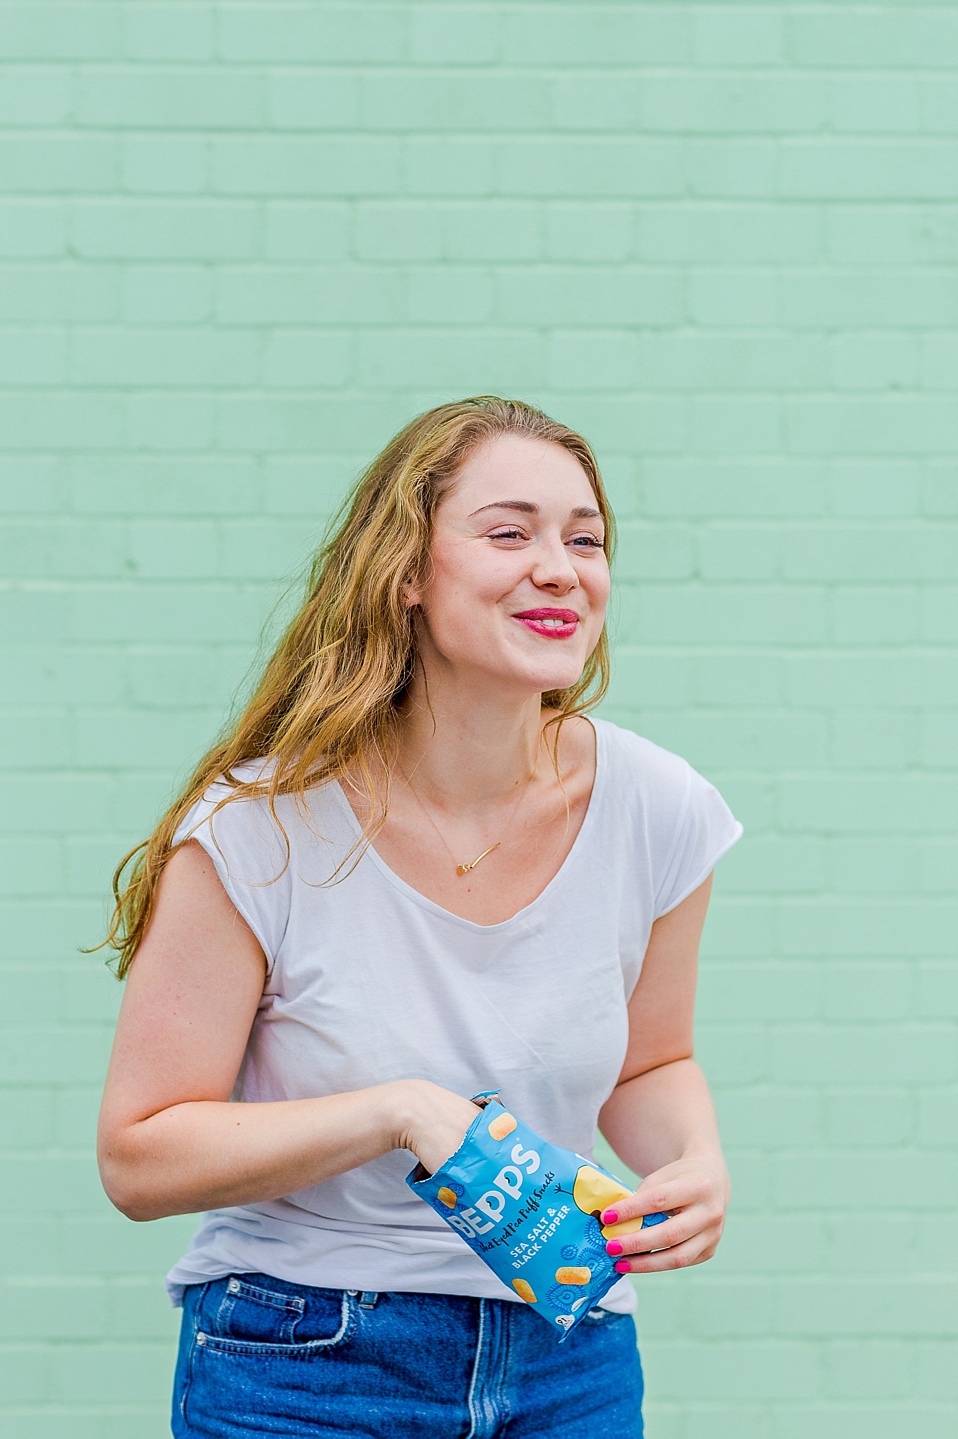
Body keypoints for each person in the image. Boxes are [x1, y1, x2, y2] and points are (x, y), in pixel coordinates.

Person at [96, 397, 742, 1439]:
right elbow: (139, 1154)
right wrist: (398, 1110)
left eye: (585, 538)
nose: (559, 566)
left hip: (567, 1357)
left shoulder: (656, 808)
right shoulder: (260, 826)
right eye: (508, 532)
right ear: (404, 572)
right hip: (303, 1362)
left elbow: (650, 1061)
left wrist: (692, 1162)